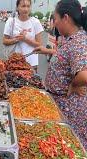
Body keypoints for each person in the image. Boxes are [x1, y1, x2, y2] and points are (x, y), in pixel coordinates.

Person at [34, 0, 87, 149]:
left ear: (66, 18)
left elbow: (84, 75)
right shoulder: (69, 38)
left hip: (70, 109)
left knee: (71, 149)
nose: (54, 23)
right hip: (59, 103)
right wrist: (48, 51)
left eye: (55, 19)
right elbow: (66, 57)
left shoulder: (79, 41)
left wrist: (73, 84)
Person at [2, 0, 43, 72]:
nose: (26, 9)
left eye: (28, 6)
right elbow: (5, 41)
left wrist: (25, 39)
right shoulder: (11, 21)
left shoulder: (35, 22)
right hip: (14, 62)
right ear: (17, 7)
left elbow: (39, 44)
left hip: (31, 62)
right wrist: (17, 39)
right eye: (23, 6)